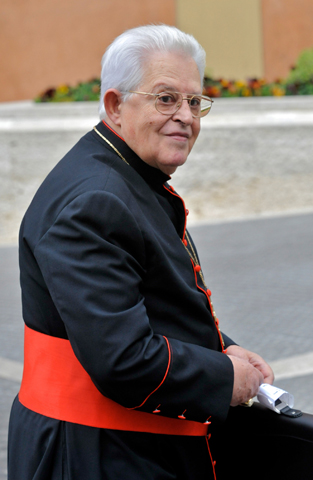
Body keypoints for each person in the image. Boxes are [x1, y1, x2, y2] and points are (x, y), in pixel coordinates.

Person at [8, 24, 273, 480]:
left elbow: (150, 302)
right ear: (114, 105)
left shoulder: (125, 173)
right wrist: (228, 378)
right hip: (98, 452)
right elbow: (124, 359)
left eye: (195, 102)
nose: (186, 116)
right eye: (166, 98)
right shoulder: (96, 200)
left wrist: (223, 348)